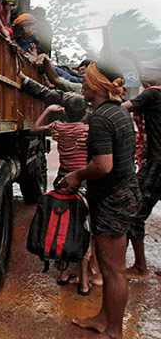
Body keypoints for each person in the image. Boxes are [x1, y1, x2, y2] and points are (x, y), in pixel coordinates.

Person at [58, 62, 140, 339]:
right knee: (108, 266)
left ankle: (114, 330)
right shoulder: (116, 112)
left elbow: (103, 166)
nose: (82, 83)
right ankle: (103, 318)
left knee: (113, 270)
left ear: (96, 85)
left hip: (112, 199)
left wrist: (77, 175)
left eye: (86, 79)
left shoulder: (101, 118)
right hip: (123, 193)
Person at [31, 95, 95, 295]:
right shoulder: (88, 130)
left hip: (63, 178)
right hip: (84, 179)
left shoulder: (58, 127)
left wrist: (49, 110)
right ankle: (84, 281)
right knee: (84, 228)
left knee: (66, 225)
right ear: (84, 113)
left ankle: (64, 272)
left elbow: (34, 129)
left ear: (64, 112)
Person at [123, 81, 161, 278]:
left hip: (157, 163)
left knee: (134, 210)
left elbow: (122, 110)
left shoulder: (152, 95)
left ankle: (140, 267)